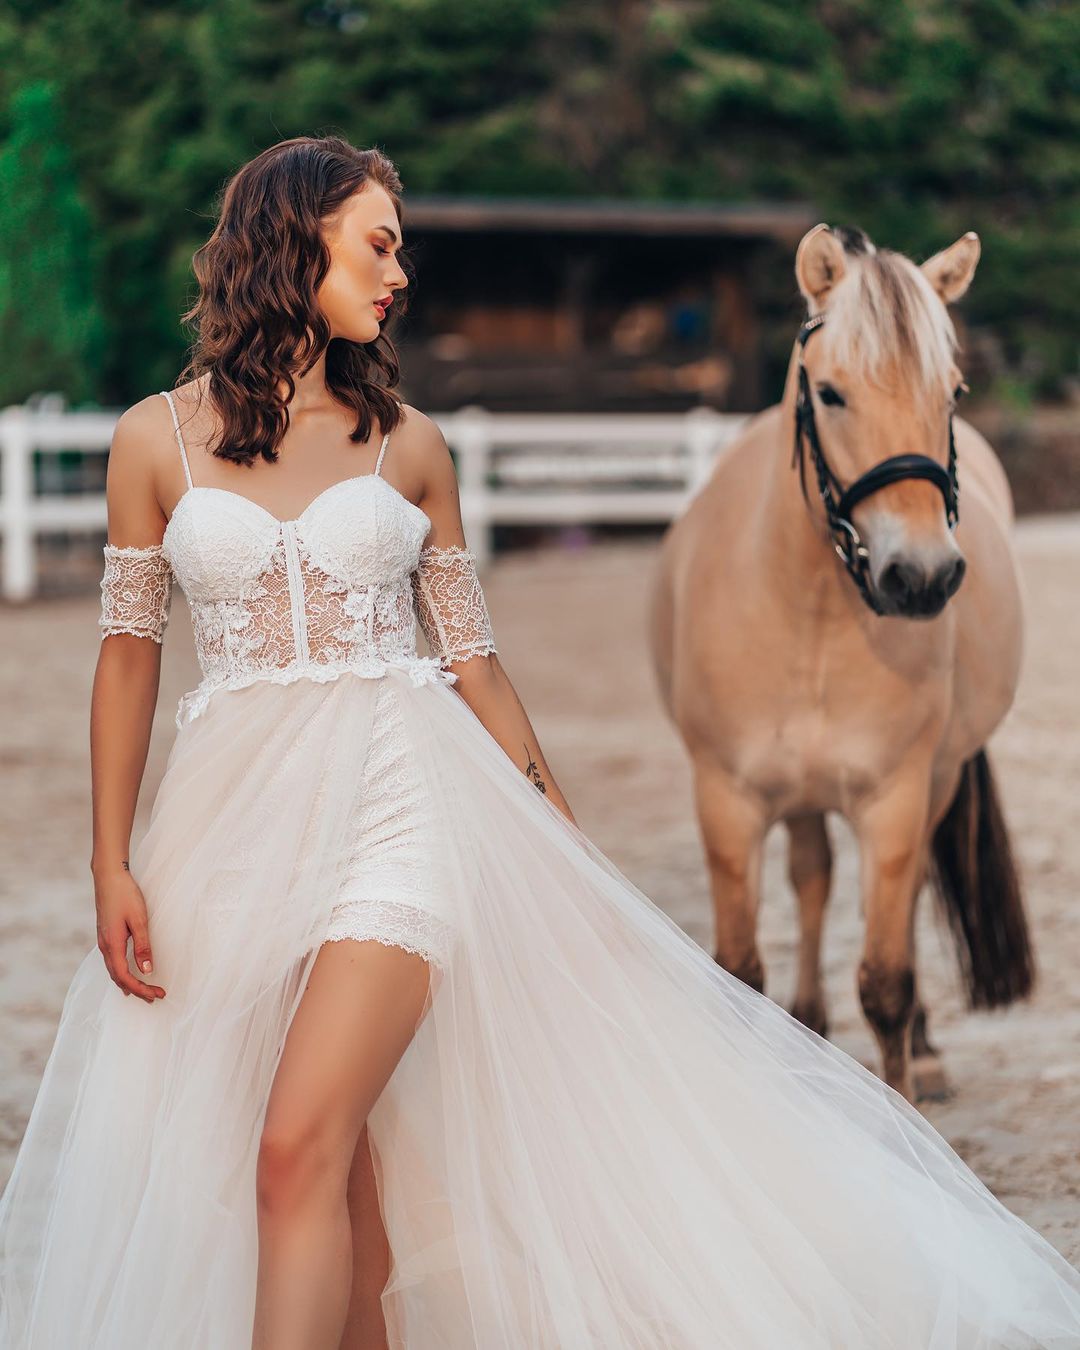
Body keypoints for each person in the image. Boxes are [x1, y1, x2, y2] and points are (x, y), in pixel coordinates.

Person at [1, 136, 1079, 1350]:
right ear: (294, 242)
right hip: (230, 825)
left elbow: (471, 661)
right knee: (342, 1157)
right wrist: (110, 863)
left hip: (398, 807)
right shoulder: (155, 441)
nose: (400, 271)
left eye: (398, 245)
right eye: (379, 242)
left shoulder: (408, 446)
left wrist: (555, 835)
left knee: (291, 1144)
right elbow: (128, 654)